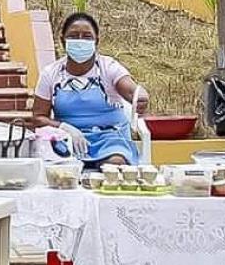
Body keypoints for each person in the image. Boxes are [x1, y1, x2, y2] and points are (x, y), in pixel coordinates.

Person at [30, 12, 150, 167]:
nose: (80, 41)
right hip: (69, 141)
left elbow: (131, 90)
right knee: (63, 171)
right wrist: (66, 129)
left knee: (114, 165)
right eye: (73, 36)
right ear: (62, 40)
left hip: (111, 140)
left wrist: (139, 96)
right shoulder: (50, 74)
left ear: (96, 41)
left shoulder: (109, 67)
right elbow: (38, 118)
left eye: (87, 36)